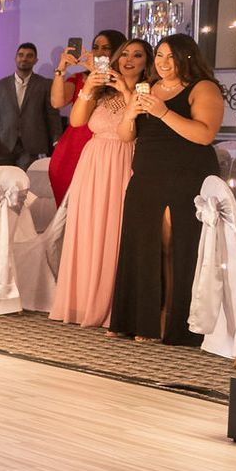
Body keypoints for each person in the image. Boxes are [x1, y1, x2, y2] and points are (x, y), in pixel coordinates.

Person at [112, 34, 224, 346]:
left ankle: (178, 325)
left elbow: (204, 134)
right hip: (146, 176)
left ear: (187, 58)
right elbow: (125, 136)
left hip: (185, 175)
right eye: (159, 56)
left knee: (177, 247)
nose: (162, 63)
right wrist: (132, 113)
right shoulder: (147, 88)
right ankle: (142, 320)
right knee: (144, 246)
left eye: (170, 57)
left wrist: (162, 112)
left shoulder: (204, 88)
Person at [51, 38, 148, 330]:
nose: (129, 60)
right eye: (125, 54)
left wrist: (127, 90)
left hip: (124, 162)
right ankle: (82, 301)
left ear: (147, 62)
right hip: (93, 163)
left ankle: (110, 305)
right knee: (88, 227)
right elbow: (78, 122)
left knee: (114, 229)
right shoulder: (102, 93)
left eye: (138, 55)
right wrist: (89, 89)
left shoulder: (147, 91)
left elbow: (132, 131)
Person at [49, 30, 128, 204]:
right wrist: (61, 69)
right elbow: (57, 102)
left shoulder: (123, 82)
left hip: (106, 149)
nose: (99, 52)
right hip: (71, 148)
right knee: (67, 208)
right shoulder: (80, 78)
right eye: (96, 47)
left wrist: (99, 74)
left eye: (106, 48)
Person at [0, 42, 58, 169]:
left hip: (33, 146)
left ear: (36, 60)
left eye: (29, 56)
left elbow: (52, 115)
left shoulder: (45, 84)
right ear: (15, 58)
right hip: (3, 146)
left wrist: (57, 140)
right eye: (21, 55)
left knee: (28, 184)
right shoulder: (0, 85)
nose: (24, 58)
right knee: (1, 183)